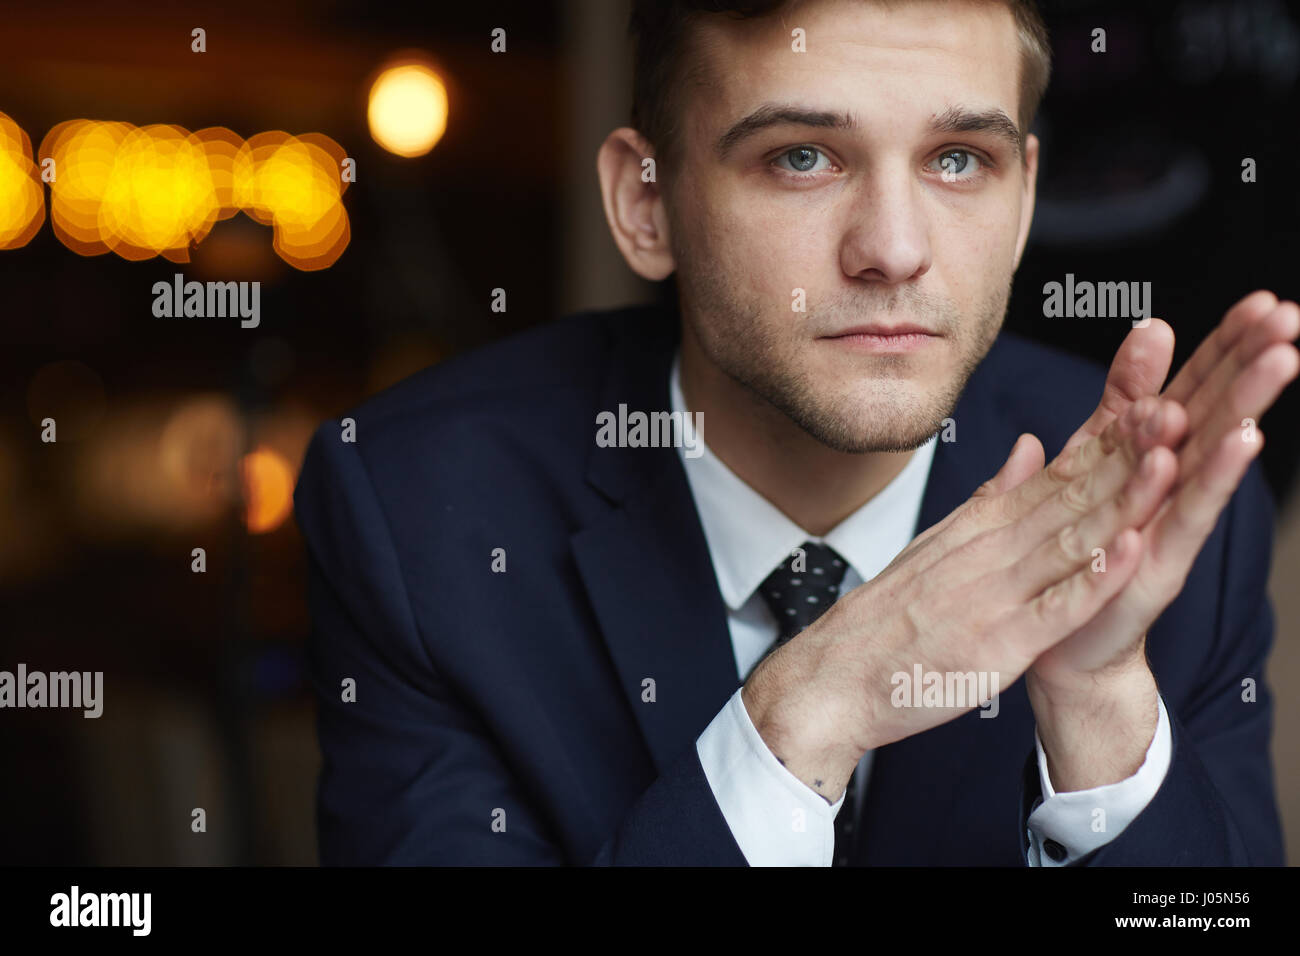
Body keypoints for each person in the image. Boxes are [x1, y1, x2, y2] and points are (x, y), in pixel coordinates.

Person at [293, 0, 1297, 865]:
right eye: (802, 157)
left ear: (1025, 192)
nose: (894, 250)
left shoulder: (1161, 513)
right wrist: (809, 706)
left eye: (958, 159)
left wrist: (1100, 709)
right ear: (645, 205)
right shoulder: (418, 509)